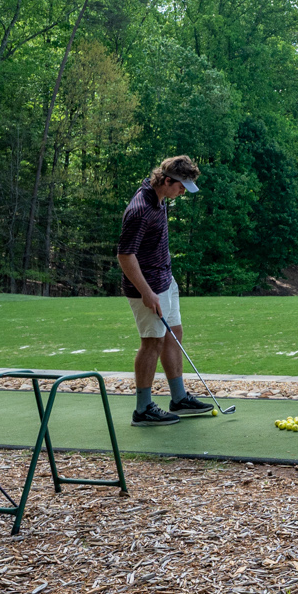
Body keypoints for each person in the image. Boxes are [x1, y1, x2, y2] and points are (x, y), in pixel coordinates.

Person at [117, 154, 209, 424]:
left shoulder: (159, 198)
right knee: (152, 342)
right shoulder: (140, 210)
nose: (182, 192)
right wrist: (146, 292)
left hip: (165, 280)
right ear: (167, 180)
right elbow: (125, 256)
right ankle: (142, 409)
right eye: (180, 186)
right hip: (146, 288)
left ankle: (179, 398)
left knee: (174, 334)